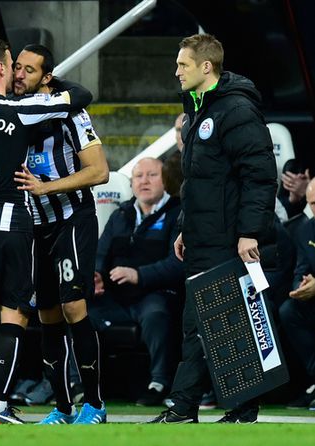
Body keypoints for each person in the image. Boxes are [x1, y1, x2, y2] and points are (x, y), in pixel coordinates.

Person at [0, 37, 91, 424]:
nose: (15, 71)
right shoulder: (19, 110)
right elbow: (80, 96)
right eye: (11, 64)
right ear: (0, 68)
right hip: (10, 220)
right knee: (14, 313)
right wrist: (51, 81)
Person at [148, 33, 277, 424]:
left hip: (229, 238)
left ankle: (238, 409)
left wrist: (249, 232)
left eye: (183, 64)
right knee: (196, 323)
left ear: (206, 66)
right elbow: (197, 182)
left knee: (228, 322)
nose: (176, 71)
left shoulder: (236, 109)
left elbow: (259, 176)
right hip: (202, 236)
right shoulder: (196, 110)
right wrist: (185, 227)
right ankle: (186, 408)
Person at [8, 44, 108, 425]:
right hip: (36, 227)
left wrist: (46, 188)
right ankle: (63, 408)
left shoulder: (71, 113)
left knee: (73, 307)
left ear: (47, 77)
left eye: (29, 70)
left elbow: (99, 171)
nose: (19, 75)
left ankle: (94, 404)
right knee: (46, 315)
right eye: (17, 67)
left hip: (72, 219)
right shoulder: (11, 112)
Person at [90, 157, 183, 407]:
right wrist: (96, 275)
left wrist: (138, 275)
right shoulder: (121, 214)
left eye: (152, 175)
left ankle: (159, 383)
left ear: (165, 180)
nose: (144, 181)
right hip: (116, 297)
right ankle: (81, 384)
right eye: (138, 176)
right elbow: (101, 254)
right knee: (79, 311)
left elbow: (177, 264)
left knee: (156, 314)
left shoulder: (178, 214)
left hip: (155, 293)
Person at [280, 178, 315, 410]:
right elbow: (300, 268)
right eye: (313, 203)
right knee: (289, 310)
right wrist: (301, 287)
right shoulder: (306, 230)